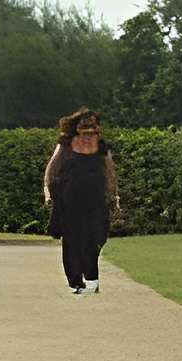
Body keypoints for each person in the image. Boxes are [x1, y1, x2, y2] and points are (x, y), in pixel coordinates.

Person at [42, 108, 120, 295]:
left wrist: (115, 195)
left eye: (92, 131)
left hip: (95, 199)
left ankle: (89, 276)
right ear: (77, 130)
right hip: (69, 199)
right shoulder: (65, 143)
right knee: (72, 241)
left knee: (96, 237)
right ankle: (78, 281)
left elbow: (110, 171)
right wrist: (47, 191)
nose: (89, 135)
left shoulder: (101, 146)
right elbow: (51, 167)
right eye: (85, 131)